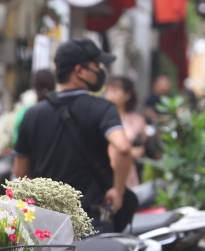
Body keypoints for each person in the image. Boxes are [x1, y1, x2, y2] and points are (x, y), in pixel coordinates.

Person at [10, 38, 134, 233]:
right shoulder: (103, 109)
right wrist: (117, 191)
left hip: (46, 225)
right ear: (79, 71)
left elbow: (21, 172)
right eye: (96, 66)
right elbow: (123, 147)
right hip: (91, 221)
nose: (100, 72)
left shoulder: (32, 114)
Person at [104, 76, 147, 188]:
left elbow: (141, 148)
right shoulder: (101, 118)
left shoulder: (137, 121)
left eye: (115, 90)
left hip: (127, 172)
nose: (110, 95)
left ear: (127, 95)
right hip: (104, 171)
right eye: (108, 91)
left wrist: (126, 152)